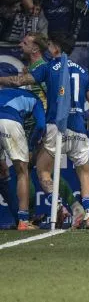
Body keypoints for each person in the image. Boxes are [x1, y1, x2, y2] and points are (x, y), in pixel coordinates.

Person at [0, 32, 89, 228]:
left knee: (39, 169)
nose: (48, 47)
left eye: (50, 45)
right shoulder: (82, 71)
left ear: (55, 48)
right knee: (83, 173)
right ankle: (87, 214)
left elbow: (20, 82)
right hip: (78, 126)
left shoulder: (47, 67)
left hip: (53, 124)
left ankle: (56, 207)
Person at [0, 88, 46, 230]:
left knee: (3, 172)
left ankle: (17, 217)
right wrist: (31, 146)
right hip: (10, 122)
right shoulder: (36, 99)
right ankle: (24, 221)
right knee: (22, 173)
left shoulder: (5, 92)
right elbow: (40, 126)